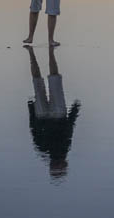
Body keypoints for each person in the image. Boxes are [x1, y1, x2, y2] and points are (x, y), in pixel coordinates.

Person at [24, 44, 80, 179]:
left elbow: (68, 128)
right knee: (37, 81)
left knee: (54, 78)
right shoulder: (43, 149)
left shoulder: (59, 148)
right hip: (42, 115)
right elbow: (33, 127)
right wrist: (31, 108)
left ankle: (49, 53)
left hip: (57, 114)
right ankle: (32, 55)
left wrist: (75, 109)